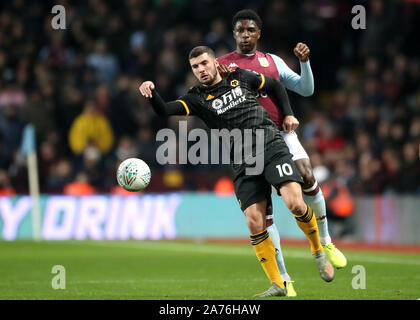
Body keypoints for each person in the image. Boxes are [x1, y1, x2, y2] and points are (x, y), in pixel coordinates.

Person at [139, 46, 334, 297]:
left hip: (271, 145)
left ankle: (317, 249)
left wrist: (287, 114)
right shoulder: (196, 97)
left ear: (214, 62)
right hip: (243, 160)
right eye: (195, 67)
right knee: (255, 222)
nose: (201, 69)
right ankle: (278, 284)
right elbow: (164, 110)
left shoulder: (239, 76)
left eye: (204, 63)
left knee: (295, 203)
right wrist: (151, 93)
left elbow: (275, 85)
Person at [217, 9, 347, 294]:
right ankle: (284, 279)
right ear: (234, 34)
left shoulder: (272, 61)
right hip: (246, 143)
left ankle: (324, 240)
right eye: (241, 30)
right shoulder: (221, 65)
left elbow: (306, 89)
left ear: (259, 33)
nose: (246, 35)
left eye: (251, 30)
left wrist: (305, 63)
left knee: (307, 174)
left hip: (281, 134)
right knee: (264, 215)